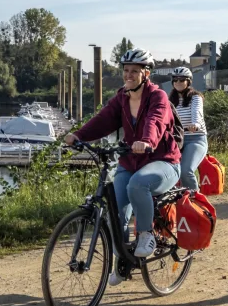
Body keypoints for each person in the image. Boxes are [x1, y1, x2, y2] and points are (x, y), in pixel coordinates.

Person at [65, 48, 181, 284]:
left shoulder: (157, 97)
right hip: (131, 160)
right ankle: (123, 262)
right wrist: (79, 135)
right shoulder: (122, 98)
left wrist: (147, 142)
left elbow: (155, 121)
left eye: (134, 71)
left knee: (138, 184)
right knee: (114, 211)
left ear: (145, 74)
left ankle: (146, 234)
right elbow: (103, 120)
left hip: (163, 161)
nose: (129, 75)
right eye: (126, 71)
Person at [169, 66, 207, 193]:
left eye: (182, 80)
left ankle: (195, 200)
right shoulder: (170, 101)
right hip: (177, 140)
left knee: (186, 170)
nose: (178, 82)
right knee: (168, 170)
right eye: (175, 80)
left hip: (195, 139)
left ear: (188, 81)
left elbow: (197, 113)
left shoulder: (195, 97)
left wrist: (195, 124)